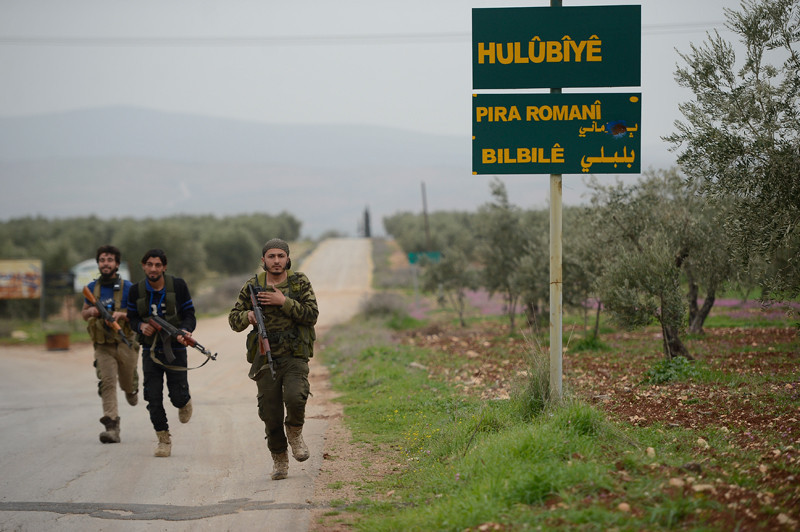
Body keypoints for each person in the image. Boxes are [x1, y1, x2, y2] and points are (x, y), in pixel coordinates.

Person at [228, 238, 318, 480]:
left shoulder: (299, 282)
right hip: (265, 356)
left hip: (294, 353)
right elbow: (233, 319)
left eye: (281, 256)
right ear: (263, 260)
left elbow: (311, 315)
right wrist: (247, 316)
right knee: (271, 413)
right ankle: (279, 459)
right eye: (271, 256)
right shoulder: (252, 286)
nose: (276, 261)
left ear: (287, 258)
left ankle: (296, 432)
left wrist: (283, 302)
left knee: (296, 397)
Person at [127, 248, 196, 458]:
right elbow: (131, 318)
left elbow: (189, 315)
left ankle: (184, 401)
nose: (153, 269)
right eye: (149, 264)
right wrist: (140, 326)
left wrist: (185, 330)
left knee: (177, 396)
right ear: (143, 266)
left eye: (158, 265)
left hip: (175, 349)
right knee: (153, 398)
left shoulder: (178, 285)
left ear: (164, 267)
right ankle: (163, 439)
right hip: (150, 351)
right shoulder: (136, 291)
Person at [81, 245, 139, 444]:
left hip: (125, 343)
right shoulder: (91, 288)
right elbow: (84, 313)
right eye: (102, 260)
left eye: (109, 260)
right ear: (98, 263)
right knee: (107, 382)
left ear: (116, 264)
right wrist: (93, 312)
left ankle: (132, 386)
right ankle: (112, 426)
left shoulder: (129, 288)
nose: (105, 263)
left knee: (127, 384)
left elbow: (139, 315)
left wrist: (121, 315)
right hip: (102, 345)